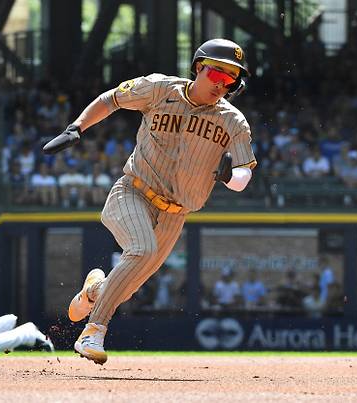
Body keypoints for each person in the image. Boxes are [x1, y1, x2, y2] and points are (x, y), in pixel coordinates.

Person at [43, 38, 256, 364]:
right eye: (216, 75)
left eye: (230, 80)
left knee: (125, 288)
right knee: (141, 250)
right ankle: (93, 331)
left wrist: (228, 176)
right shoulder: (159, 89)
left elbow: (243, 178)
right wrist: (77, 127)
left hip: (176, 213)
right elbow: (111, 98)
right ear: (199, 67)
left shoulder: (233, 121)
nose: (221, 85)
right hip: (133, 192)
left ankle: (93, 292)